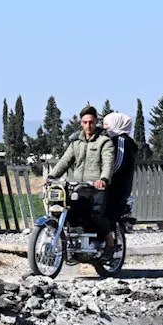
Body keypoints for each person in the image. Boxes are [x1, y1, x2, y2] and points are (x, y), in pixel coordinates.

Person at [46, 105, 115, 244]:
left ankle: (110, 243)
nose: (88, 125)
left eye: (91, 122)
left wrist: (103, 179)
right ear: (81, 122)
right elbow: (64, 161)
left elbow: (108, 163)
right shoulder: (75, 143)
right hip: (78, 186)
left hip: (97, 187)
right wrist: (51, 176)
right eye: (85, 122)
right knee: (69, 211)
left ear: (96, 122)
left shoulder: (104, 142)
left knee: (96, 214)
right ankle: (74, 242)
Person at [101, 111, 137, 222]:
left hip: (117, 187)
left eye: (106, 124)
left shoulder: (121, 141)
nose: (104, 128)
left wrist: (104, 176)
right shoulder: (113, 140)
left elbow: (117, 163)